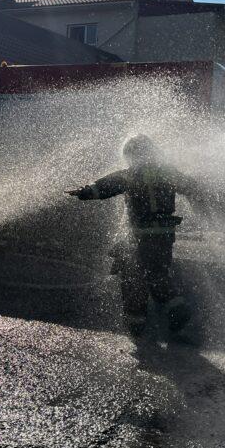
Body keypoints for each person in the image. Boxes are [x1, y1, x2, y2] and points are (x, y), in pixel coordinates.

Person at [67, 134, 200, 340]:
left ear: (132, 155)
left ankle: (136, 322)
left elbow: (106, 186)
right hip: (164, 235)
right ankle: (176, 307)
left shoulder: (131, 174)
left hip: (140, 235)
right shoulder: (167, 172)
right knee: (158, 272)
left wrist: (85, 192)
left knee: (132, 275)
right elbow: (191, 186)